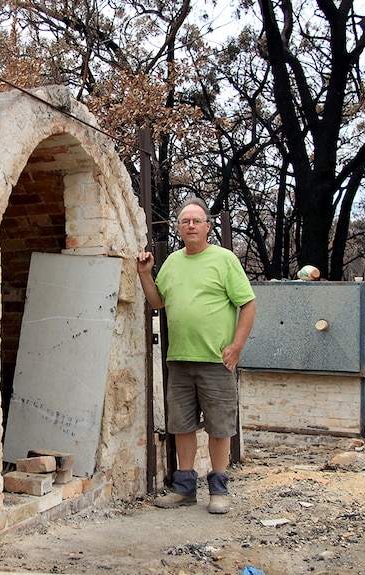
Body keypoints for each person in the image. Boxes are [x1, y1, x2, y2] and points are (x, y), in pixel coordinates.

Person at [136, 197, 256, 514]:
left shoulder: (224, 259)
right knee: (182, 426)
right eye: (185, 221)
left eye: (196, 221)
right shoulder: (173, 262)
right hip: (179, 360)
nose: (191, 225)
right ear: (178, 228)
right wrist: (145, 274)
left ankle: (218, 490)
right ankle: (185, 488)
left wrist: (237, 346)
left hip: (217, 360)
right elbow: (158, 302)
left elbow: (248, 304)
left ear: (207, 226)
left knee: (219, 428)